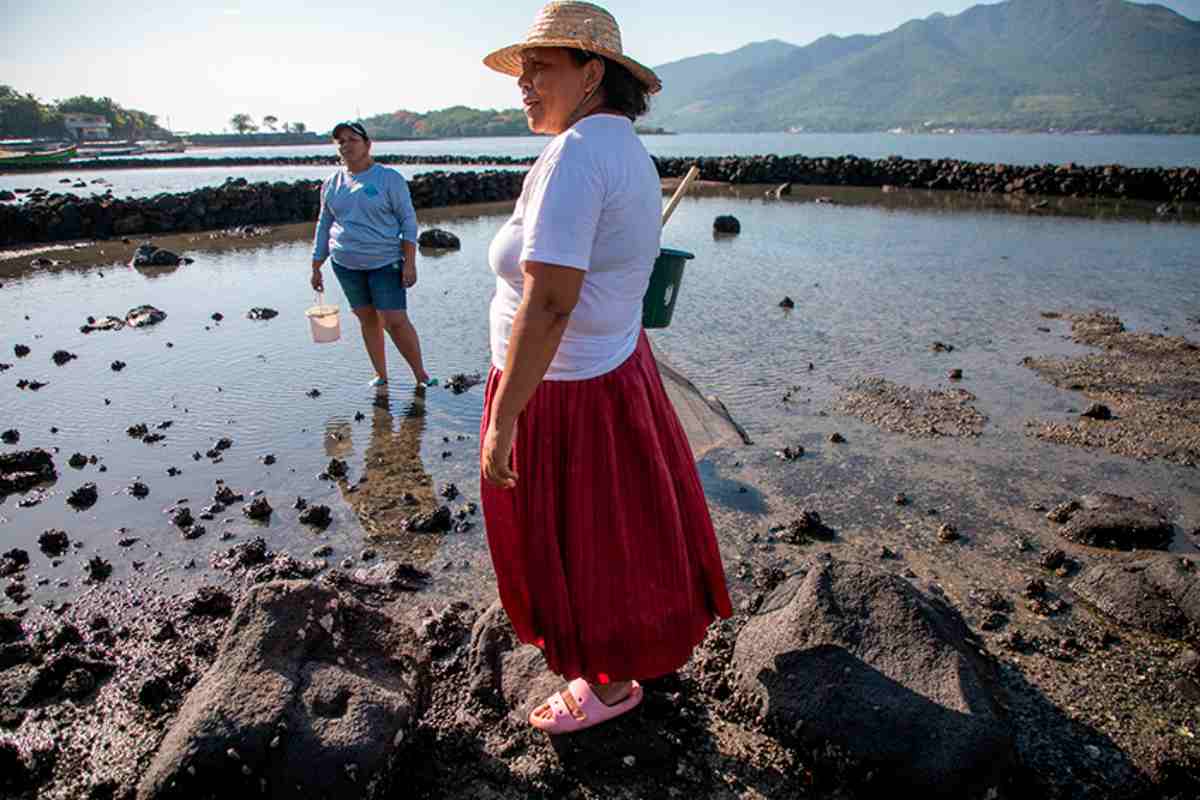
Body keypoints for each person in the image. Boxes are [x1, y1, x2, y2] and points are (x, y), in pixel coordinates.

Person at [479, 1, 732, 734]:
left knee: (576, 541)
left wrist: (503, 418)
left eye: (541, 67)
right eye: (522, 70)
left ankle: (610, 685)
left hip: (562, 390)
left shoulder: (579, 154)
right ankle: (617, 668)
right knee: (612, 535)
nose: (523, 83)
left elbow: (551, 300)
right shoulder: (620, 150)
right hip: (609, 371)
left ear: (593, 73)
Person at [311, 121, 431, 388]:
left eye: (352, 139)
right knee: (367, 318)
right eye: (341, 141)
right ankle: (381, 375)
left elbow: (408, 222)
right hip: (345, 264)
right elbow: (324, 224)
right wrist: (316, 265)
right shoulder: (331, 183)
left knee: (394, 320)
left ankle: (420, 374)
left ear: (367, 144)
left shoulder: (389, 179)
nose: (346, 146)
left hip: (385, 262)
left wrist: (410, 263)